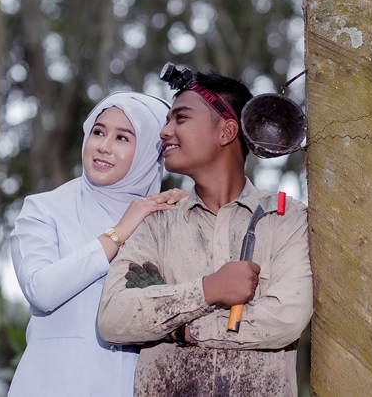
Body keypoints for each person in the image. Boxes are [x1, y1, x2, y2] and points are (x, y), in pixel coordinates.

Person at [97, 70, 312, 395]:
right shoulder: (157, 222)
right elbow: (113, 318)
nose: (165, 131)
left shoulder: (285, 216)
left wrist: (181, 330)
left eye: (180, 118)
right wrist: (208, 290)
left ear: (227, 130)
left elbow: (285, 319)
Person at [8, 92, 183, 396]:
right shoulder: (45, 208)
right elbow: (42, 290)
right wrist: (118, 232)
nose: (103, 146)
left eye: (122, 138)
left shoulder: (165, 218)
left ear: (148, 153)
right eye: (99, 132)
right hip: (54, 386)